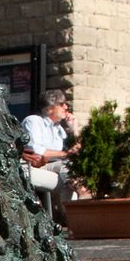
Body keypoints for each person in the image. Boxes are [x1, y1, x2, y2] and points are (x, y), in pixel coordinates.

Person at [21, 89, 88, 219]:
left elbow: (76, 152)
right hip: (35, 165)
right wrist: (65, 153)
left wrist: (74, 129)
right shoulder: (34, 121)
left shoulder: (58, 128)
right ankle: (82, 194)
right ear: (49, 108)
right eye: (62, 104)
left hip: (53, 165)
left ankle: (70, 218)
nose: (66, 107)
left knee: (69, 175)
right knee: (68, 166)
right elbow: (36, 150)